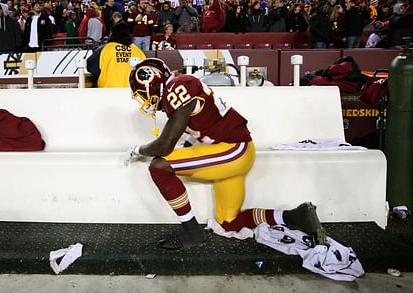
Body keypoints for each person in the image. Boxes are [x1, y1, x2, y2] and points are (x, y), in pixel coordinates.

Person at [124, 58, 327, 249]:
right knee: (230, 223)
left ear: (152, 81)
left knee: (160, 166)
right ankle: (295, 216)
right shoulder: (179, 85)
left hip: (232, 150)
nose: (145, 101)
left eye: (142, 94)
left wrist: (138, 150)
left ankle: (192, 231)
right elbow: (199, 128)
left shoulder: (177, 87)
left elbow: (165, 145)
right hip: (234, 151)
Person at [86, 21, 146, 88]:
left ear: (112, 34)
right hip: (131, 91)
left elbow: (91, 67)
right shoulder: (138, 51)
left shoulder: (104, 50)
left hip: (107, 90)